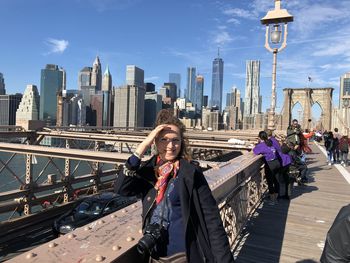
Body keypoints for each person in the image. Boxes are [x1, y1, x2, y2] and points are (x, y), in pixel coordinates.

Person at [114, 110, 234, 263]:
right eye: (164, 139)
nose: (170, 146)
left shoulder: (191, 173)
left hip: (184, 256)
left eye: (175, 140)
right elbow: (121, 189)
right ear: (155, 142)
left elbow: (212, 221)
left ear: (181, 142)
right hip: (155, 256)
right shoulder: (149, 172)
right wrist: (142, 146)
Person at [253, 131, 281, 204]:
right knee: (276, 180)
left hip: (270, 164)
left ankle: (272, 200)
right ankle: (276, 198)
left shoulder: (261, 145)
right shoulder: (270, 142)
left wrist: (256, 144)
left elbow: (255, 151)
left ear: (259, 137)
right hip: (277, 162)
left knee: (270, 182)